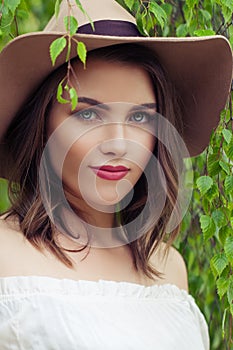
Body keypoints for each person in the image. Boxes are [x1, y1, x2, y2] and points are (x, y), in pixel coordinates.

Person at [0, 0, 232, 349]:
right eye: (88, 115)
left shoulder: (169, 268)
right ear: (42, 125)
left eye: (140, 118)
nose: (118, 144)